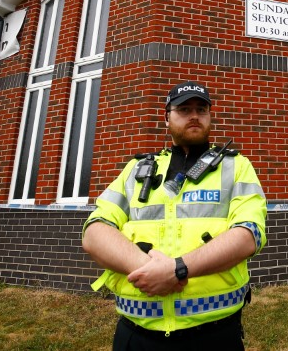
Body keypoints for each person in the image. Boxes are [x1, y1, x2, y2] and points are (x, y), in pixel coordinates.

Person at [82, 81, 267, 350]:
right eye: (184, 109)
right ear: (166, 117)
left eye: (201, 109)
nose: (194, 115)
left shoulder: (235, 166)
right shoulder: (137, 169)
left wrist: (177, 269)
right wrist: (154, 271)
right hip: (136, 334)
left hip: (214, 333)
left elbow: (249, 233)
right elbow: (94, 230)